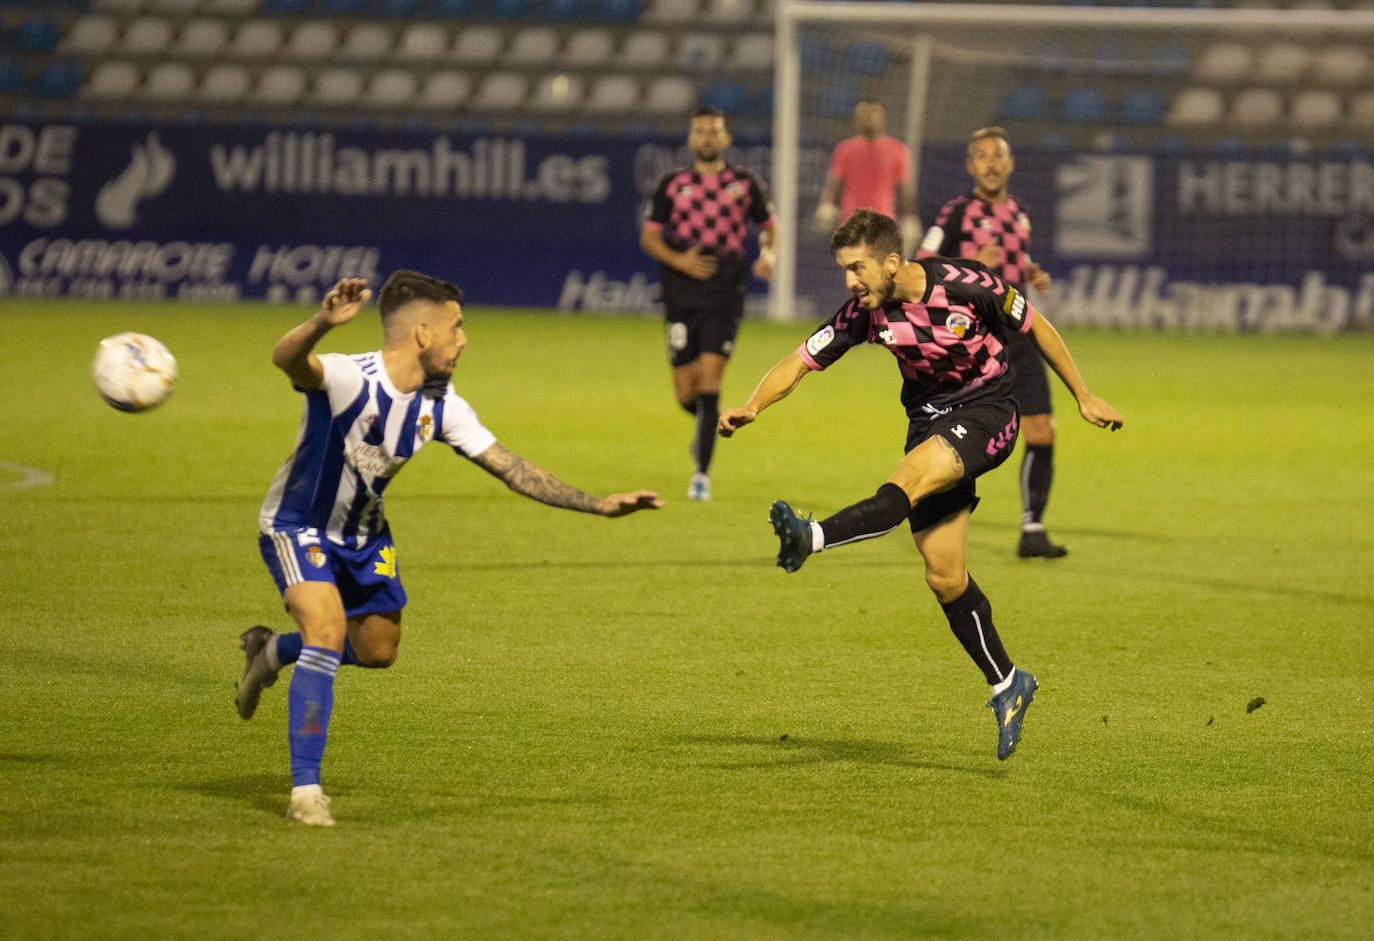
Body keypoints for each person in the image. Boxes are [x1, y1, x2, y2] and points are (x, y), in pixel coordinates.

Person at [235, 271, 663, 825]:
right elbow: (287, 360)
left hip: (365, 536)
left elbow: (512, 468)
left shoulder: (442, 404)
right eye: (456, 328)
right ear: (421, 332)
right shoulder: (347, 379)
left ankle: (271, 652)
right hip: (300, 526)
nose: (464, 340)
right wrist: (321, 322)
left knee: (378, 651)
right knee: (327, 632)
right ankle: (306, 793)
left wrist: (600, 504)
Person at [718, 210, 1122, 760]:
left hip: (988, 412)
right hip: (928, 423)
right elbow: (799, 360)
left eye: (857, 268)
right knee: (943, 575)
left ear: (892, 261)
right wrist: (752, 405)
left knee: (902, 484)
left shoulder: (968, 284)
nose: (849, 282)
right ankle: (1008, 683)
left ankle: (808, 538)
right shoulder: (864, 313)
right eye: (843, 270)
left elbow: (1037, 326)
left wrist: (1083, 394)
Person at [918, 126, 1065, 558]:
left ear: (1010, 163)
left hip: (1017, 337)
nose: (991, 163)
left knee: (1042, 430)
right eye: (981, 156)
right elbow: (921, 265)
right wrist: (968, 263)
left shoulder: (1019, 214)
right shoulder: (956, 213)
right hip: (972, 341)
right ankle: (930, 510)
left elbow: (1009, 268)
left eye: (998, 155)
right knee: (954, 434)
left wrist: (1030, 273)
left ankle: (1032, 529)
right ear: (970, 166)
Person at [641, 106, 778, 502]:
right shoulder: (672, 184)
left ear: (725, 138)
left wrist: (768, 255)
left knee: (710, 381)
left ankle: (701, 475)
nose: (706, 137)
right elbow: (649, 238)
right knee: (687, 393)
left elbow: (771, 227)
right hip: (681, 295)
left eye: (713, 131)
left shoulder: (744, 184)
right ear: (690, 139)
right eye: (699, 131)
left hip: (725, 294)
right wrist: (680, 259)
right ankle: (703, 430)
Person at [813, 100, 920, 253]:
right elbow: (834, 184)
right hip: (851, 224)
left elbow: (904, 191)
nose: (868, 118)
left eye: (873, 113)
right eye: (863, 113)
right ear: (856, 118)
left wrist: (910, 218)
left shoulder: (897, 150)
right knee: (854, 272)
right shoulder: (845, 150)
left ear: (882, 117)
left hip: (883, 224)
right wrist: (826, 204)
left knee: (880, 273)